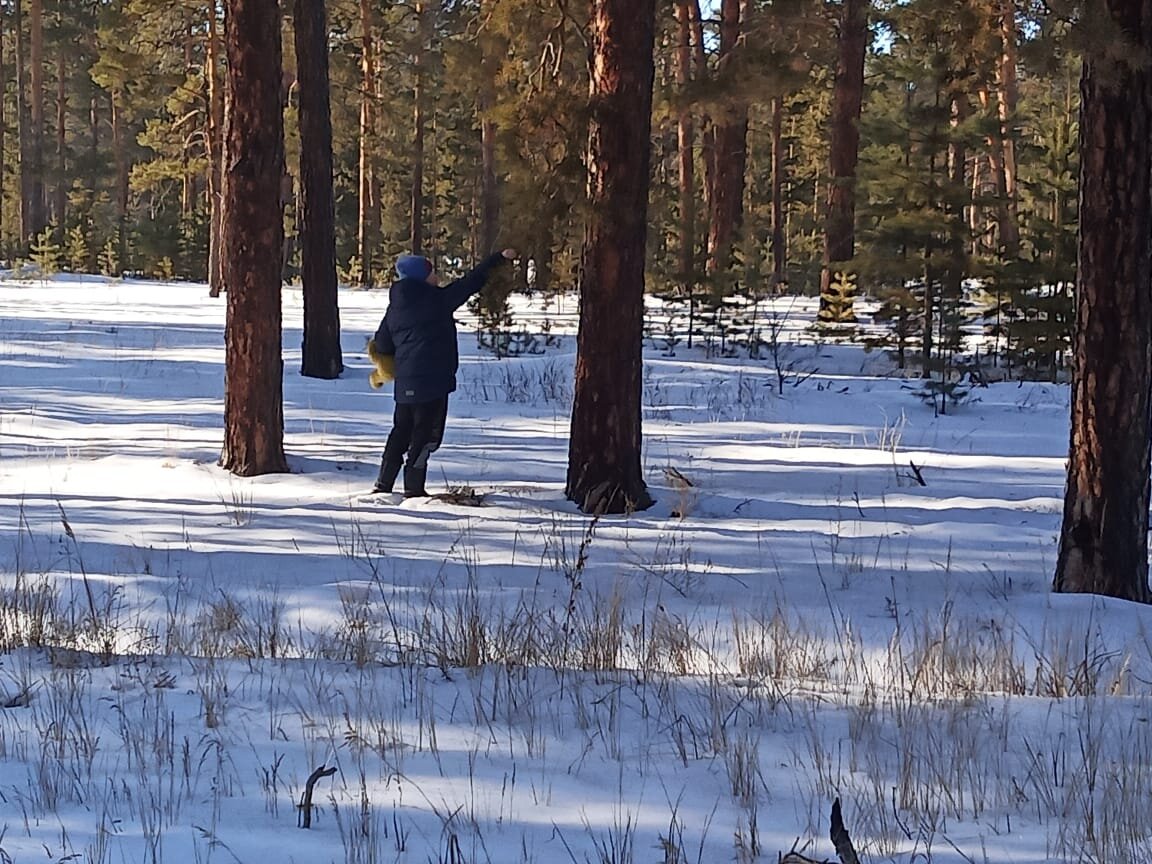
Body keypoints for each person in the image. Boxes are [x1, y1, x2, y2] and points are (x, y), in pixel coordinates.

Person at [370, 248, 517, 497]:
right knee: (425, 435)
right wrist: (498, 258)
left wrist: (388, 369)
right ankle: (414, 491)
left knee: (400, 431)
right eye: (431, 273)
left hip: (405, 382)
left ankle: (383, 484)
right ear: (421, 278)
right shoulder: (436, 301)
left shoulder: (394, 308)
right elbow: (471, 282)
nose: (436, 277)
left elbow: (382, 345)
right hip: (433, 381)